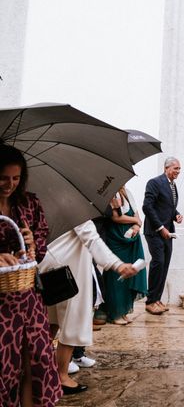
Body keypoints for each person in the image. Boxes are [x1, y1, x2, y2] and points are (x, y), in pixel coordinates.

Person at [0, 143, 62, 406]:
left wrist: (32, 246)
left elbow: (41, 247)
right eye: (3, 178)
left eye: (15, 178)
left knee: (34, 361)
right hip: (2, 305)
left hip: (28, 299)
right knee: (4, 368)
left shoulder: (29, 203)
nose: (9, 184)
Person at [44, 220, 137, 395]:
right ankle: (61, 377)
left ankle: (37, 369)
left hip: (49, 265)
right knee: (73, 323)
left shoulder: (51, 202)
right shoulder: (77, 210)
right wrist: (118, 265)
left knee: (49, 323)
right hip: (70, 270)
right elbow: (91, 238)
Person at [143, 157, 183, 315]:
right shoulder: (154, 183)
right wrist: (160, 228)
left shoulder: (172, 185)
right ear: (166, 168)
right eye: (175, 169)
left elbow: (168, 208)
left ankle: (157, 299)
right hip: (154, 232)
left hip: (168, 232)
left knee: (165, 265)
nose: (178, 172)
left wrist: (177, 215)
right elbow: (147, 207)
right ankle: (150, 301)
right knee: (158, 262)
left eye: (179, 169)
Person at [102, 186, 148, 324]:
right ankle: (114, 313)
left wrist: (137, 226)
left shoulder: (128, 192)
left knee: (128, 277)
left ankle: (124, 312)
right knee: (116, 277)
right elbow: (116, 217)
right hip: (116, 239)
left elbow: (136, 214)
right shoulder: (110, 193)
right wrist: (135, 221)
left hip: (130, 239)